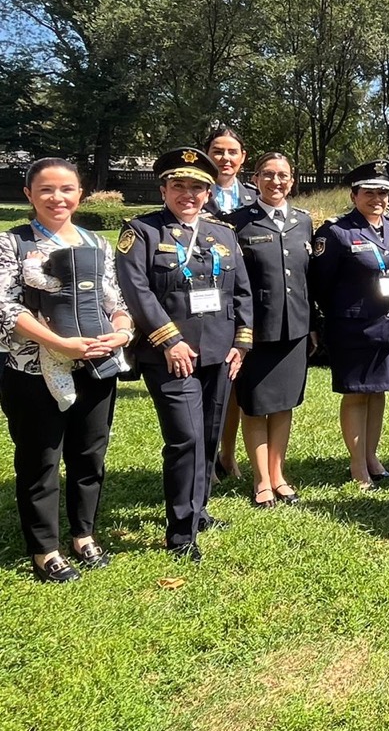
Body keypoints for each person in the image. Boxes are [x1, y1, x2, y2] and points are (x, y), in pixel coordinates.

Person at [0, 158, 134, 582]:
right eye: (46, 190)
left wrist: (122, 332)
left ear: (80, 193)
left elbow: (115, 300)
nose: (57, 198)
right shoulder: (12, 243)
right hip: (33, 368)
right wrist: (58, 342)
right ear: (29, 195)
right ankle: (45, 549)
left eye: (67, 189)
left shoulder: (97, 243)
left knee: (89, 454)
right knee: (41, 458)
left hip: (96, 365)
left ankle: (84, 535)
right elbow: (5, 306)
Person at [116, 148, 253, 562]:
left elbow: (242, 290)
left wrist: (242, 343)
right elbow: (136, 290)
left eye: (197, 187)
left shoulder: (223, 234)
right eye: (179, 186)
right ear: (164, 189)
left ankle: (199, 510)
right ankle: (180, 532)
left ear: (209, 193)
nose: (188, 194)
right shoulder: (141, 232)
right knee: (185, 438)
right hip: (171, 354)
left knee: (210, 435)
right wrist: (169, 341)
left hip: (220, 352)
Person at [308, 160, 389, 491]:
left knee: (378, 393)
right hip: (353, 328)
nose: (377, 198)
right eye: (369, 192)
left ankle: (371, 455)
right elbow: (321, 283)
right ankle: (356, 465)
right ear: (354, 195)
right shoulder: (337, 232)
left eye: (383, 193)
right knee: (355, 395)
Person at [225, 153, 312, 509]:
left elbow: (309, 279)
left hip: (296, 329)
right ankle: (261, 480)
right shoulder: (236, 224)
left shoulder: (303, 222)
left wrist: (315, 326)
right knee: (256, 406)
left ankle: (278, 474)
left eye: (284, 176)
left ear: (292, 181)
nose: (276, 182)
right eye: (269, 175)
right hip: (255, 332)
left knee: (284, 405)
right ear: (255, 178)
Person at [205, 126, 256, 484]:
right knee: (212, 381)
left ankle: (228, 454)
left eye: (232, 152)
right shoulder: (193, 192)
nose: (225, 158)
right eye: (218, 151)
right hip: (206, 301)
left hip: (247, 298)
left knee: (238, 382)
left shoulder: (254, 197)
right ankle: (204, 457)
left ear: (243, 158)